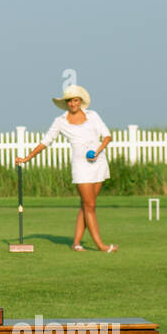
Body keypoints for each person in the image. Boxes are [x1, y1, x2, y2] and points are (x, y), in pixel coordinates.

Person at [15, 86, 117, 253]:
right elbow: (46, 141)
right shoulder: (60, 121)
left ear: (80, 101)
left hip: (98, 163)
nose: (72, 103)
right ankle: (100, 245)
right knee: (89, 205)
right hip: (81, 167)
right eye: (69, 101)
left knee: (86, 205)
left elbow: (107, 136)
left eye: (75, 100)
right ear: (66, 103)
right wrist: (27, 158)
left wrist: (97, 152)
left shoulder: (93, 116)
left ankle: (76, 243)